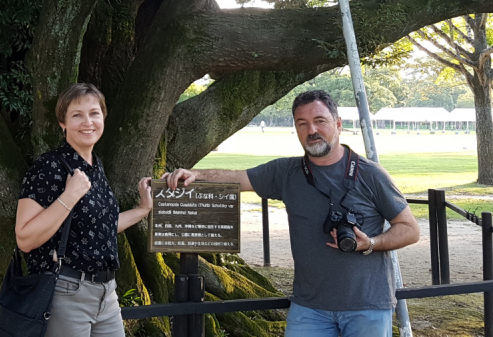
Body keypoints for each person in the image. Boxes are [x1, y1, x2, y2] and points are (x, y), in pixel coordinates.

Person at [163, 90, 420, 337]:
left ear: (338, 124)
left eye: (320, 121)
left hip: (367, 304)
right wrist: (196, 175)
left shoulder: (370, 174)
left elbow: (410, 229)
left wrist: (371, 243)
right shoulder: (287, 172)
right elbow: (237, 179)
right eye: (302, 123)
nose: (312, 131)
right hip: (309, 307)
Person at [15, 83, 152, 337]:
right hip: (66, 293)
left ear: (103, 118)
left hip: (107, 293)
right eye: (77, 115)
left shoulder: (95, 166)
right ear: (62, 123)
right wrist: (69, 195)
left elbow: (102, 229)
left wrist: (143, 209)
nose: (87, 122)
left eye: (94, 113)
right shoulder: (49, 167)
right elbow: (25, 238)